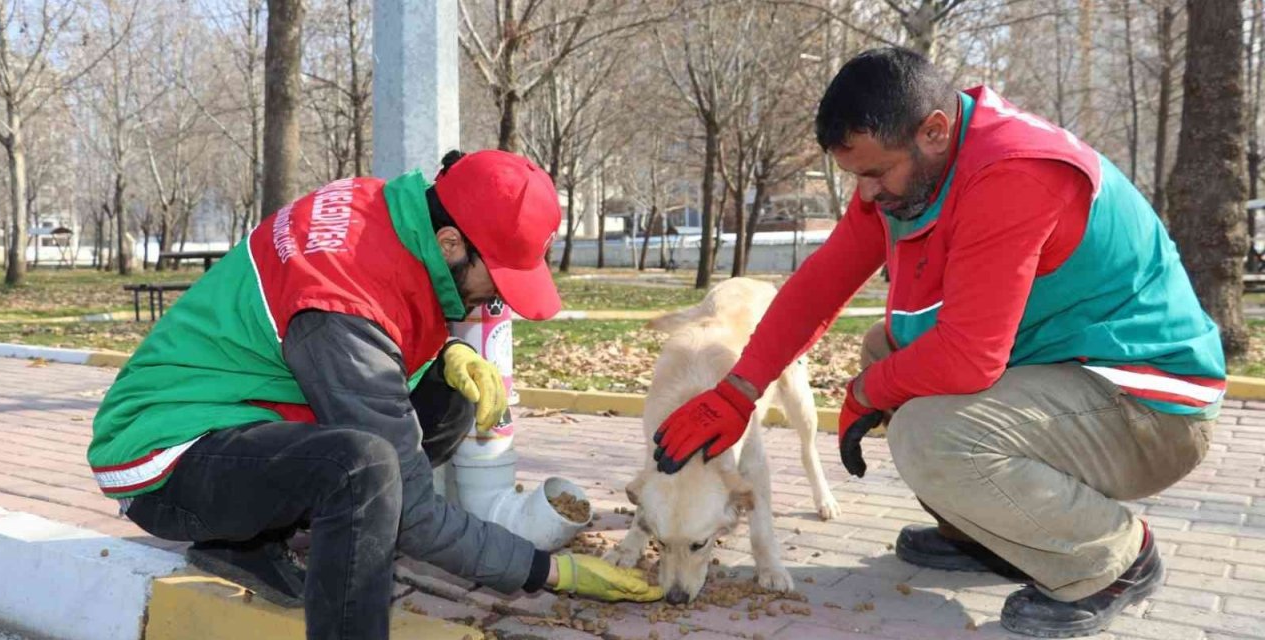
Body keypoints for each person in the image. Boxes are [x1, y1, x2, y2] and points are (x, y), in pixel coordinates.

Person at [651, 48, 1224, 638]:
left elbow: (970, 357)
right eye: (857, 177)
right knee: (886, 349)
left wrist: (864, 392)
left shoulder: (1014, 173)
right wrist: (740, 390)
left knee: (929, 433)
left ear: (934, 130)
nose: (868, 194)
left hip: (1150, 408)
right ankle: (991, 535)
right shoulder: (917, 163)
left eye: (875, 174)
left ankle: (1111, 559)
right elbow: (821, 282)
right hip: (1073, 373)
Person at [88, 150, 661, 640]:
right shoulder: (340, 299)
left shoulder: (385, 213)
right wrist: (550, 572)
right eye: (500, 280)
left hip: (241, 415)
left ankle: (245, 545)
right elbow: (411, 508)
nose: (499, 300)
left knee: (446, 398)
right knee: (361, 472)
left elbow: (366, 352)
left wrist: (444, 355)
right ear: (451, 242)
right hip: (165, 456)